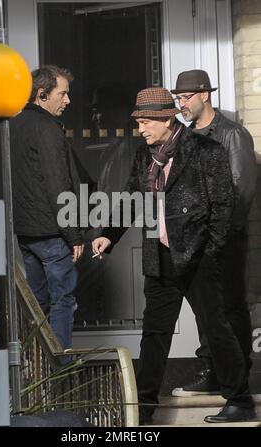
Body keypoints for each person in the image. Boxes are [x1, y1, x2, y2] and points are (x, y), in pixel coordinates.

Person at [92, 87, 256, 424]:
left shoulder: (205, 150)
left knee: (217, 329)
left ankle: (239, 401)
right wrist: (109, 235)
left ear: (167, 118)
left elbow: (224, 206)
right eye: (138, 122)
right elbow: (131, 198)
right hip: (160, 255)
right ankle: (145, 407)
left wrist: (211, 251)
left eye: (146, 122)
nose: (141, 129)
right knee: (154, 334)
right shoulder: (143, 156)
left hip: (200, 258)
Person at [170, 70, 257, 399]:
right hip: (196, 242)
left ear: (205, 94)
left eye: (185, 97)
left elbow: (242, 190)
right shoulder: (187, 138)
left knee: (230, 307)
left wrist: (219, 238)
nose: (181, 104)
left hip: (225, 241)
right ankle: (214, 372)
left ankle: (236, 378)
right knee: (206, 310)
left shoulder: (232, 134)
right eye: (177, 99)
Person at [10, 65, 85, 363]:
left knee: (38, 302)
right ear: (42, 94)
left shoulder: (13, 124)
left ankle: (36, 365)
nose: (67, 101)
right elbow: (59, 184)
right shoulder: (47, 128)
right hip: (52, 235)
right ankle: (60, 370)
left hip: (26, 233)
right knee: (62, 300)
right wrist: (74, 235)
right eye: (63, 93)